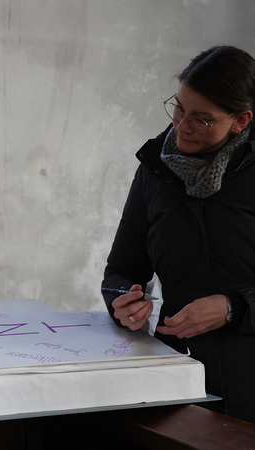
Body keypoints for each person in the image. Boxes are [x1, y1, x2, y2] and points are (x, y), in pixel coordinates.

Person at [101, 45, 255, 423]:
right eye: (179, 108)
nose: (182, 126)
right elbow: (121, 270)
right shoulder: (155, 170)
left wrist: (233, 308)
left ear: (241, 121)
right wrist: (123, 302)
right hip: (179, 385)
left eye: (202, 120)